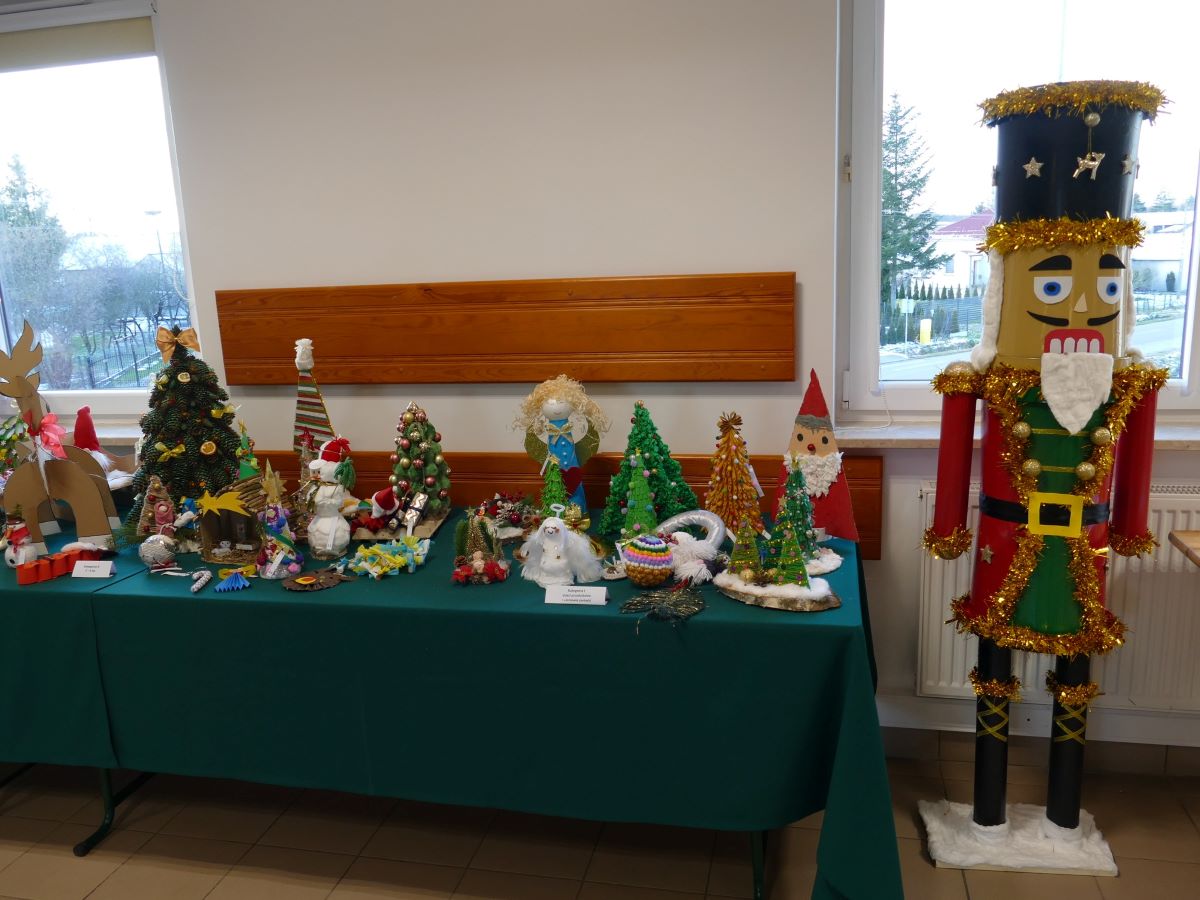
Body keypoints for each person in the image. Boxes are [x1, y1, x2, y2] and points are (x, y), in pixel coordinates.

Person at [924, 81, 1167, 840]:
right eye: (1054, 284)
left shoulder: (1128, 384)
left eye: (1104, 282)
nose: (1081, 307)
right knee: (995, 663)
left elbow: (1135, 458)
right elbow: (954, 454)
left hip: (1083, 549)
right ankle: (988, 813)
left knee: (1076, 668)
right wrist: (949, 528)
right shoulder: (984, 382)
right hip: (1005, 545)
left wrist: (1127, 525)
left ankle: (1064, 816)